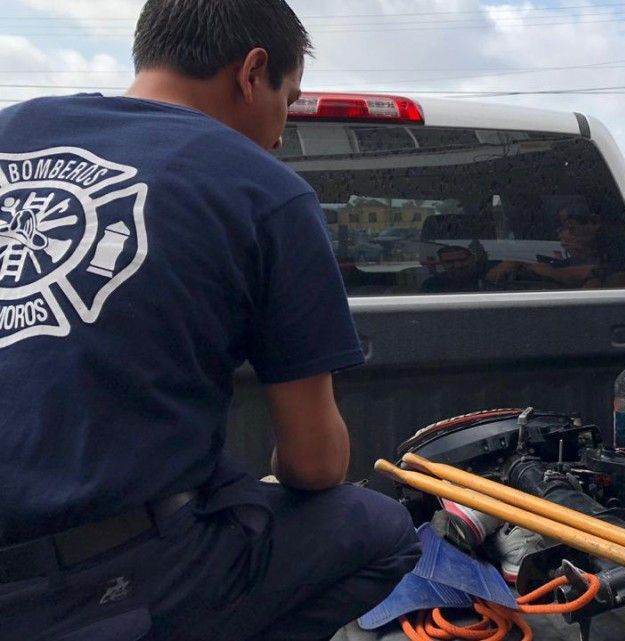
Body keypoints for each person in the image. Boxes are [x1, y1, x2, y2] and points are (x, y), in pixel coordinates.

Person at [0, 2, 420, 640]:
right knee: (384, 531)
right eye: (289, 99)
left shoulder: (14, 128)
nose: (281, 135)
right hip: (86, 581)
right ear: (252, 72)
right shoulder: (263, 188)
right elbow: (313, 465)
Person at [421, 245, 489, 292]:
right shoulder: (432, 284)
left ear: (473, 259)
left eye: (463, 260)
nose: (458, 266)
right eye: (450, 262)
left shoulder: (490, 277)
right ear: (442, 263)